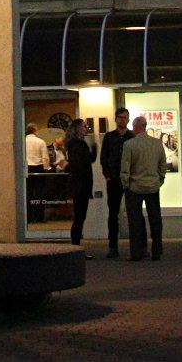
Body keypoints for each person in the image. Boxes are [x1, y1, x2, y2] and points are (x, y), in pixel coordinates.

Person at [120, 114, 167, 261]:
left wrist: (126, 184)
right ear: (145, 127)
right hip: (153, 186)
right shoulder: (157, 143)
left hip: (135, 187)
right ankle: (157, 250)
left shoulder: (129, 145)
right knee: (155, 219)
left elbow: (125, 168)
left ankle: (137, 252)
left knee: (135, 221)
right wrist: (160, 180)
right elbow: (163, 165)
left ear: (135, 127)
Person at [98, 107, 130, 258]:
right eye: (120, 117)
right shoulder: (109, 137)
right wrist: (107, 175)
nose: (122, 120)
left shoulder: (132, 136)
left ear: (128, 119)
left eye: (125, 117)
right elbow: (103, 157)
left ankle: (138, 246)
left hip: (129, 180)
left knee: (134, 213)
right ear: (116, 119)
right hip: (113, 181)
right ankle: (113, 247)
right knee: (113, 214)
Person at [64, 118, 97, 248]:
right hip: (81, 186)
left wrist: (94, 148)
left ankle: (76, 245)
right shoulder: (77, 144)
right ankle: (75, 246)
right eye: (84, 126)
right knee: (79, 217)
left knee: (80, 217)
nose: (86, 128)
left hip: (80, 185)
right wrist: (93, 148)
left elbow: (89, 160)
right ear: (77, 128)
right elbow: (83, 163)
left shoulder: (76, 143)